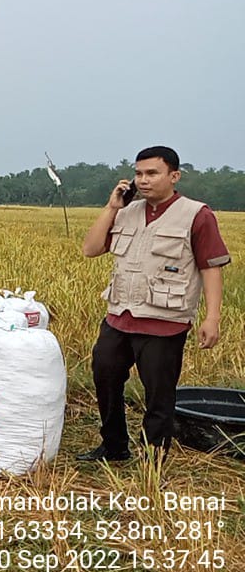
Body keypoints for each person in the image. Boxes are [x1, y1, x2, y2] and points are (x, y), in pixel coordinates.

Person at [77, 146, 229, 462]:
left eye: (152, 173)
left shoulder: (196, 215)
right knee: (105, 379)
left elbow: (210, 267)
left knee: (159, 395)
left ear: (174, 176)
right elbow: (90, 250)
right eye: (138, 174)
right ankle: (113, 446)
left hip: (165, 321)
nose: (143, 181)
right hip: (119, 316)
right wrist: (111, 207)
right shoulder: (126, 210)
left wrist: (212, 317)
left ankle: (153, 458)